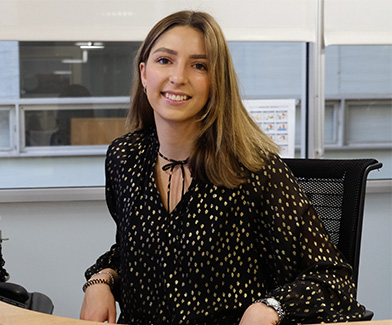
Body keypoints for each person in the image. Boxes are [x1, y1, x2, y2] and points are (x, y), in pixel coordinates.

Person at [79, 10, 367, 325]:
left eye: (199, 65)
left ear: (217, 82)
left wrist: (270, 307)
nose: (178, 77)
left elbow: (334, 279)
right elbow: (140, 250)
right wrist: (101, 280)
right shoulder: (126, 157)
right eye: (165, 60)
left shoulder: (255, 169)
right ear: (144, 73)